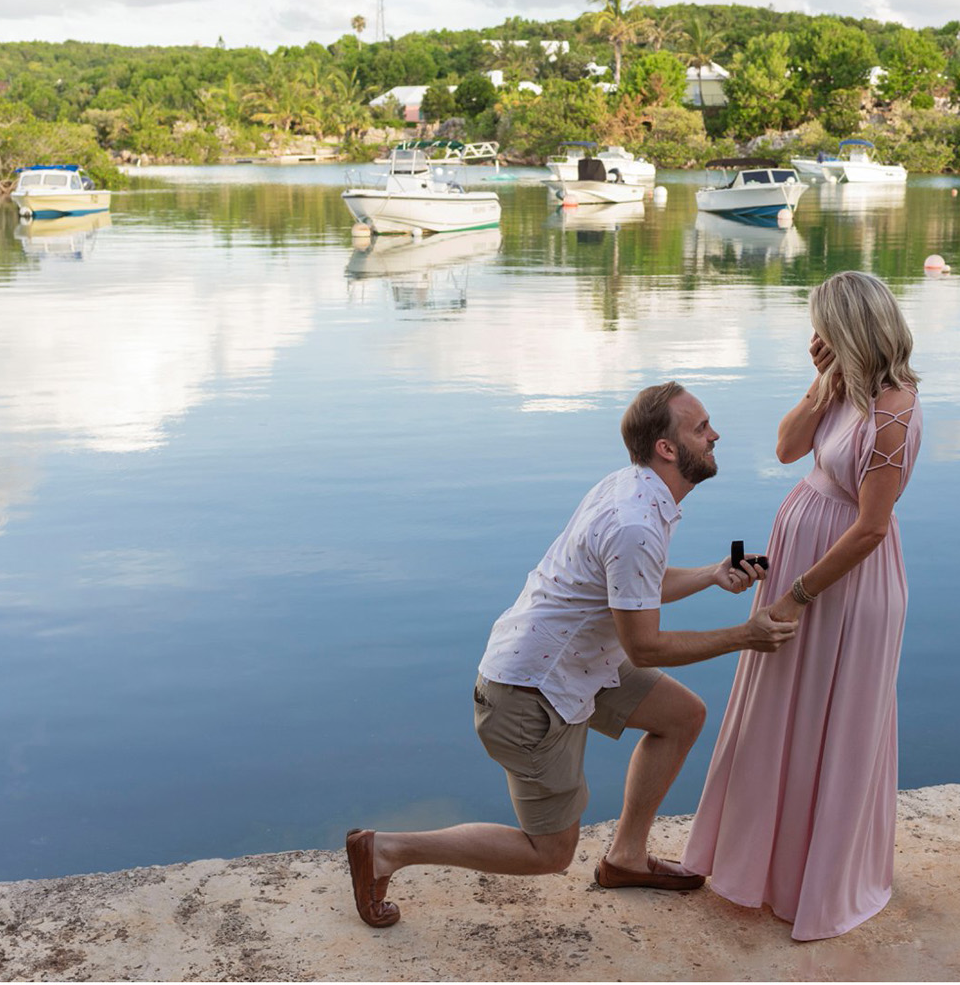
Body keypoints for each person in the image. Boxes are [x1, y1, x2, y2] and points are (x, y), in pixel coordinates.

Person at [343, 382, 794, 928]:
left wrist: (710, 574)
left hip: (572, 663)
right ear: (667, 449)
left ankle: (625, 859)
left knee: (681, 717)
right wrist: (745, 635)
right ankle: (388, 850)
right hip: (529, 693)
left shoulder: (633, 488)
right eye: (701, 428)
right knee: (549, 852)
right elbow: (646, 645)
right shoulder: (634, 521)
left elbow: (630, 588)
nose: (715, 434)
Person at [682, 270, 923, 941]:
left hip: (842, 585)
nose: (813, 337)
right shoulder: (844, 387)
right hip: (803, 568)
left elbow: (872, 528)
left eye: (823, 327)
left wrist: (795, 594)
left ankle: (815, 881)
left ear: (850, 329)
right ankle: (763, 868)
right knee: (777, 716)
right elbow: (787, 447)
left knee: (832, 727)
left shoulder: (895, 412)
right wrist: (822, 383)